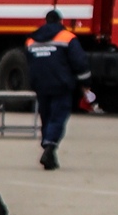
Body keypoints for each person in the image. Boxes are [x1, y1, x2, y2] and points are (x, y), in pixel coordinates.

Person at [26, 9, 91, 171]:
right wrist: (86, 83)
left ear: (46, 21)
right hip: (61, 86)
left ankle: (49, 149)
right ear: (61, 21)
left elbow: (29, 62)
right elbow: (80, 62)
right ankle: (49, 148)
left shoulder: (31, 40)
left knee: (46, 117)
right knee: (57, 118)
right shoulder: (67, 37)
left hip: (41, 86)